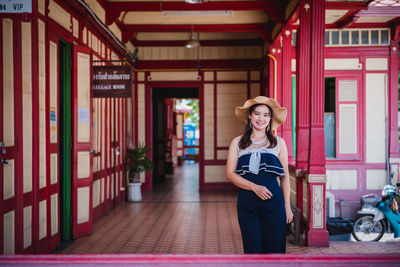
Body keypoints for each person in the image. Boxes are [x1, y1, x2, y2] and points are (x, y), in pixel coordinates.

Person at [226, 96, 293, 253]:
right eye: (257, 113)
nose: (261, 118)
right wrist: (254, 187)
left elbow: (284, 177)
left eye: (266, 115)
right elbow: (230, 174)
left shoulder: (279, 142)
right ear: (250, 115)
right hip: (247, 204)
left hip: (274, 204)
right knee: (252, 251)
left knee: (275, 251)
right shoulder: (238, 142)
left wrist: (287, 206)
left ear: (270, 119)